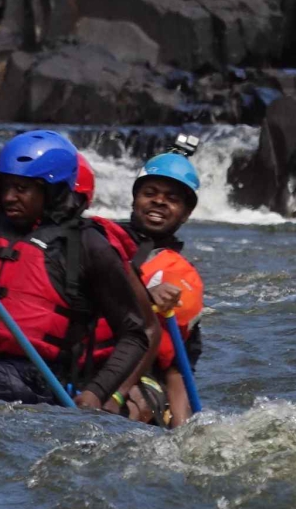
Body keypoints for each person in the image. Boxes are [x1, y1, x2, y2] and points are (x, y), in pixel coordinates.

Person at [0, 130, 157, 409]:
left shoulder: (87, 245)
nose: (9, 197)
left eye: (22, 189)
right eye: (5, 186)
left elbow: (134, 335)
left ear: (52, 191)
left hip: (41, 379)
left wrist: (98, 392)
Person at [79, 151, 205, 426]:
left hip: (141, 377)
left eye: (172, 199)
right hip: (84, 358)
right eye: (151, 192)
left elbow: (178, 368)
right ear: (135, 198)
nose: (159, 201)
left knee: (137, 408)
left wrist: (182, 430)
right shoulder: (99, 240)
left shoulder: (183, 277)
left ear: (186, 213)